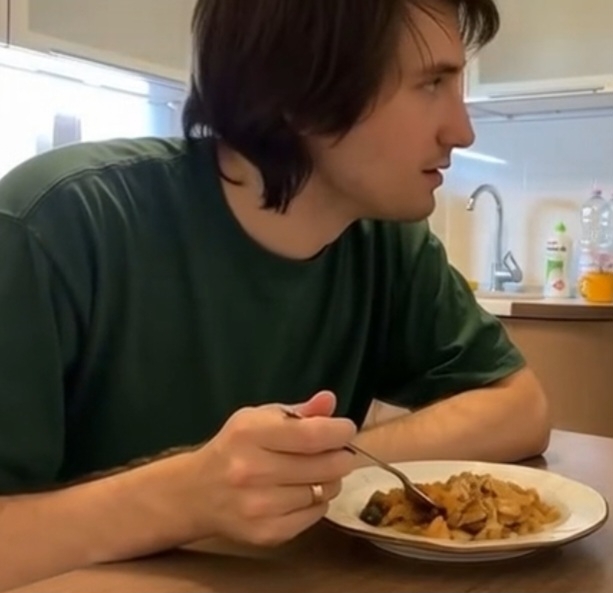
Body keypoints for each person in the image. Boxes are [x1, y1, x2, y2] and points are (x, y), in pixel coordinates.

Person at [0, 0, 551, 589]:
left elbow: (520, 408)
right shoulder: (53, 227)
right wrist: (190, 495)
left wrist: (320, 462)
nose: (462, 131)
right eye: (432, 84)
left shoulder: (385, 241)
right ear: (302, 90)